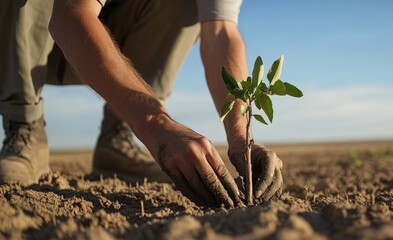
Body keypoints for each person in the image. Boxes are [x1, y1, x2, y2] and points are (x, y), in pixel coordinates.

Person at [0, 0, 283, 207]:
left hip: (106, 38)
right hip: (27, 35)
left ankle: (117, 139)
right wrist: (155, 125)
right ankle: (24, 124)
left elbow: (220, 32)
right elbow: (70, 14)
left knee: (186, 6)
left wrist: (240, 137)